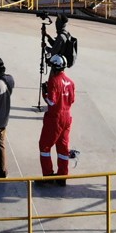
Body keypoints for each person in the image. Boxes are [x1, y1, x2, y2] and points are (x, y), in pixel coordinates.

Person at [38, 54, 76, 185]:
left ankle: (48, 175)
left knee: (44, 146)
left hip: (55, 118)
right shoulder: (71, 82)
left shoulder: (54, 81)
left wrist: (45, 92)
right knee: (63, 148)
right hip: (67, 117)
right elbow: (72, 100)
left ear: (54, 67)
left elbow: (51, 102)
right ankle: (62, 177)